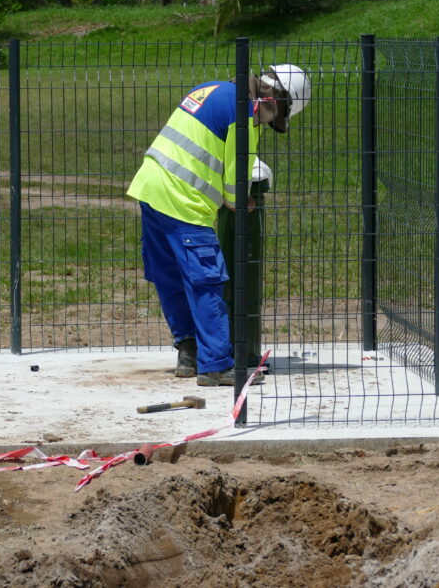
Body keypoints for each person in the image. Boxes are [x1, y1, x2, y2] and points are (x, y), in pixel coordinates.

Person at [127, 65, 311, 386]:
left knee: (169, 275)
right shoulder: (245, 116)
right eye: (276, 119)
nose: (270, 125)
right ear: (276, 100)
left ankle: (189, 353)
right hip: (183, 202)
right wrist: (243, 202)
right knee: (206, 280)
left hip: (150, 188)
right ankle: (216, 365)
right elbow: (235, 179)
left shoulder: (213, 89)